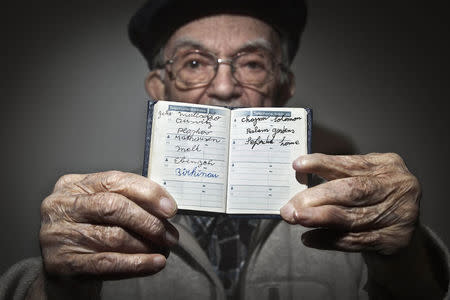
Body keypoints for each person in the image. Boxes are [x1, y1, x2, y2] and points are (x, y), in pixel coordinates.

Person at [1, 0, 449, 299]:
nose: (223, 87)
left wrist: (407, 254)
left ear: (284, 85)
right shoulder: (103, 220)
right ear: (158, 87)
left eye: (252, 63)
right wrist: (54, 287)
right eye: (194, 63)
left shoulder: (345, 226)